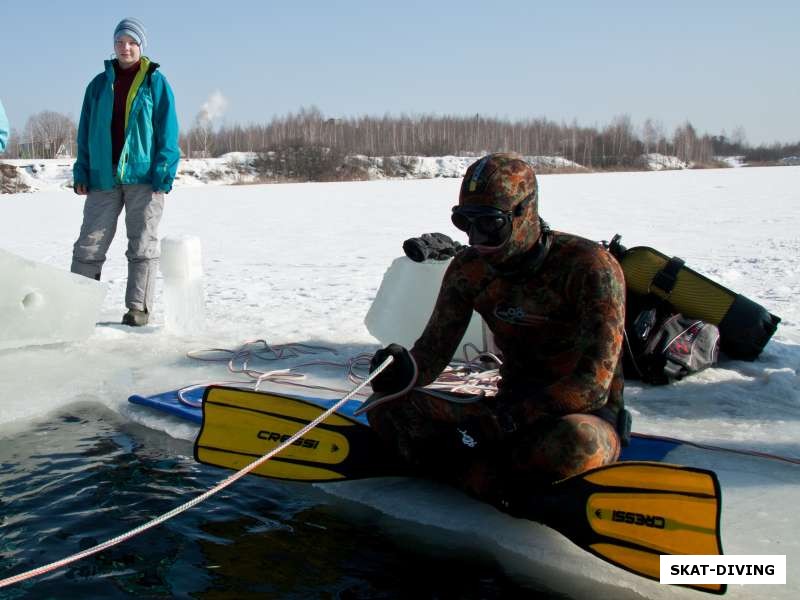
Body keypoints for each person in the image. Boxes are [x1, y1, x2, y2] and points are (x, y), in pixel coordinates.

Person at [366, 152, 627, 513]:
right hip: (503, 412)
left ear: (524, 214)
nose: (475, 238)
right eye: (464, 223)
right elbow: (431, 353)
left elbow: (592, 385)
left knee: (576, 443)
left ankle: (471, 472)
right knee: (386, 409)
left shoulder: (589, 267)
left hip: (576, 417)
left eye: (489, 224)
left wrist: (512, 420)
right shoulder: (469, 269)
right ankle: (492, 477)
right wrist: (398, 372)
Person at [71, 17, 179, 326]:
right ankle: (77, 307)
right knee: (88, 245)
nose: (125, 47)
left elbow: (168, 132)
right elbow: (85, 132)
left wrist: (165, 170)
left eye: (131, 42)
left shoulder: (156, 83)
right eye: (120, 42)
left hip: (144, 178)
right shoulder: (98, 85)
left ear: (140, 46)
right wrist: (82, 169)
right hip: (103, 176)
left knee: (142, 244)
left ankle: (138, 310)